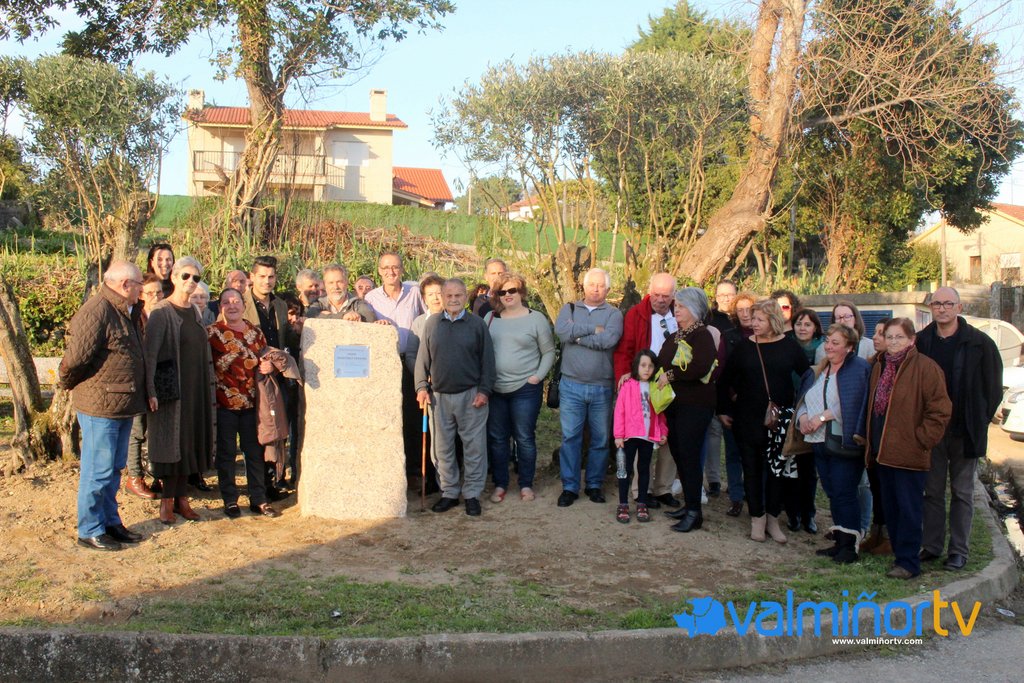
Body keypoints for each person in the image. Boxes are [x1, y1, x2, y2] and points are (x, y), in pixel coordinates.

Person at [59, 261, 148, 551]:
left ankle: (110, 522)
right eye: (139, 284)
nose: (141, 289)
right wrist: (69, 383)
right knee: (97, 470)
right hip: (100, 407)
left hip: (121, 404)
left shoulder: (125, 310)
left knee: (113, 469)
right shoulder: (97, 311)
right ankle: (90, 528)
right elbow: (75, 359)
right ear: (125, 284)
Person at [916, 287, 1002, 571]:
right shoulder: (921, 342)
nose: (942, 309)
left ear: (959, 307)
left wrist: (979, 419)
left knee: (962, 493)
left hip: (965, 431)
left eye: (948, 304)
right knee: (932, 491)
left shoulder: (980, 343)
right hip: (932, 431)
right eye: (937, 304)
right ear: (931, 307)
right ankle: (931, 546)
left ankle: (958, 551)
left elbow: (993, 389)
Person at [718, 298, 809, 544]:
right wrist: (724, 409)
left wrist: (802, 409)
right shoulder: (745, 347)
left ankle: (772, 518)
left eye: (759, 319)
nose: (753, 323)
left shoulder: (789, 346)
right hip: (747, 418)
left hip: (779, 420)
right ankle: (756, 517)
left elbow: (808, 376)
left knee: (776, 470)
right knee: (751, 468)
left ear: (773, 320)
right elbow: (725, 379)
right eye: (753, 318)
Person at [866, 318, 951, 579]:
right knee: (891, 508)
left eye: (899, 337)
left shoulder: (926, 368)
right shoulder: (879, 366)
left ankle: (909, 562)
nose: (893, 342)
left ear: (912, 340)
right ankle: (899, 554)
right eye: (889, 337)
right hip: (882, 452)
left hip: (909, 453)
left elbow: (940, 410)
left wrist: (921, 440)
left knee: (909, 509)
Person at [143, 256, 216, 525]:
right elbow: (150, 355)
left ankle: (182, 498)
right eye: (185, 276)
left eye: (196, 278)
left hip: (196, 388)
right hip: (172, 391)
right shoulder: (162, 312)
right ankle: (167, 501)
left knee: (189, 442)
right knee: (171, 444)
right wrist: (151, 390)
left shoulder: (195, 311)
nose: (190, 281)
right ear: (173, 277)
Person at [415, 278, 496, 516]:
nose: (453, 300)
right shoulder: (432, 324)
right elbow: (422, 360)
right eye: (448, 296)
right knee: (441, 449)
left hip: (471, 395)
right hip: (438, 397)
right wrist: (421, 387)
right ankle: (449, 492)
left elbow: (488, 361)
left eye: (458, 295)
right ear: (442, 297)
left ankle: (472, 494)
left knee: (474, 448)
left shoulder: (477, 324)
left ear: (465, 297)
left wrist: (484, 391)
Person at [794, 324, 871, 562]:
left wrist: (821, 418)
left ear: (849, 347)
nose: (828, 346)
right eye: (828, 341)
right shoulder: (819, 370)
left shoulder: (858, 369)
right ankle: (840, 540)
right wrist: (803, 418)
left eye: (835, 343)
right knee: (832, 492)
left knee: (844, 492)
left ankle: (850, 545)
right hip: (819, 441)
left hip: (844, 441)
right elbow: (804, 399)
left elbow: (853, 402)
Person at [554, 268, 624, 507]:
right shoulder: (570, 308)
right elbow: (562, 332)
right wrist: (592, 329)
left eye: (601, 285)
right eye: (592, 284)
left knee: (600, 439)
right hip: (571, 385)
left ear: (608, 289)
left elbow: (608, 340)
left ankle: (594, 484)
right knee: (570, 438)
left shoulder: (614, 314)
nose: (595, 289)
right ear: (583, 286)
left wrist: (577, 336)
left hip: (601, 387)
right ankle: (570, 487)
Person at [209, 288, 280, 518]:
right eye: (226, 302)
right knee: (227, 454)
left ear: (243, 304)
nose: (232, 306)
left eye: (236, 301)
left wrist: (269, 366)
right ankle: (230, 499)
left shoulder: (255, 332)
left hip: (252, 403)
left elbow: (267, 358)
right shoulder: (212, 333)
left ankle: (258, 499)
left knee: (254, 452)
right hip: (224, 404)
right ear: (220, 306)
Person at [484, 272, 556, 503]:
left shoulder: (536, 319)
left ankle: (526, 484)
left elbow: (549, 352)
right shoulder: (490, 319)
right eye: (502, 292)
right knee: (497, 438)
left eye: (512, 290)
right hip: (496, 389)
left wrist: (538, 376)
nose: (508, 295)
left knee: (524, 437)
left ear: (521, 292)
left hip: (525, 388)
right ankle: (500, 484)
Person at [612, 272, 680, 509]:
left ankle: (663, 488)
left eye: (666, 296)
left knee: (667, 435)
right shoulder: (636, 314)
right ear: (650, 292)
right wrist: (624, 374)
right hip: (644, 382)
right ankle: (641, 490)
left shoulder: (679, 314)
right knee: (642, 433)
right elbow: (625, 348)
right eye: (657, 294)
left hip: (672, 383)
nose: (661, 300)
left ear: (673, 295)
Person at [658, 288, 718, 533]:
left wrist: (671, 375)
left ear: (694, 309)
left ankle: (695, 512)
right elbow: (661, 360)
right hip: (675, 404)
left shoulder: (702, 335)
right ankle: (689, 505)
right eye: (676, 306)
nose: (676, 310)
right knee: (680, 454)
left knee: (689, 456)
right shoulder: (676, 336)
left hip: (695, 405)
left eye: (681, 306)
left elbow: (700, 367)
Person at [365, 252, 427, 486]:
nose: (391, 272)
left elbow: (426, 319)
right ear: (379, 271)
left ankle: (414, 471)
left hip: (411, 360)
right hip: (385, 365)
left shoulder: (414, 292)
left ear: (402, 269)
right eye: (386, 268)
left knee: (413, 416)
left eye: (395, 267)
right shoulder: (371, 298)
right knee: (389, 416)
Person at [242, 255, 296, 494]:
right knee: (257, 433)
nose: (267, 281)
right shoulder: (240, 303)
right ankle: (259, 485)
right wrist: (257, 364)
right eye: (262, 276)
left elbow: (284, 341)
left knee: (277, 429)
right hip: (251, 378)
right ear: (252, 277)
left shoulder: (280, 305)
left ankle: (275, 480)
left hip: (276, 378)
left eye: (271, 276)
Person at [124, 273, 166, 500]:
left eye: (159, 292)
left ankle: (159, 474)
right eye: (150, 293)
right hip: (139, 381)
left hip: (161, 379)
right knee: (137, 430)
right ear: (141, 295)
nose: (155, 297)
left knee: (157, 430)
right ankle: (135, 476)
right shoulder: (135, 318)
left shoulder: (165, 315)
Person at [613, 350, 668, 523]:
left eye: (650, 366)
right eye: (643, 365)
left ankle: (642, 502)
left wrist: (663, 431)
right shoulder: (627, 385)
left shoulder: (655, 387)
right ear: (636, 366)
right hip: (629, 436)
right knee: (625, 469)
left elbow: (660, 413)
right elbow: (619, 411)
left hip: (647, 436)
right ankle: (623, 503)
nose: (647, 369)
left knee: (644, 469)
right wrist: (618, 435)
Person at [703, 279, 741, 502]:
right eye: (721, 295)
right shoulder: (710, 319)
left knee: (737, 439)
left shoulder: (742, 319)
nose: (726, 298)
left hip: (738, 388)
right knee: (713, 432)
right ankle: (714, 479)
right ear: (715, 297)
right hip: (714, 384)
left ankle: (739, 482)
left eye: (730, 294)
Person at [861, 318, 893, 555]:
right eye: (876, 332)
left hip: (893, 439)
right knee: (876, 486)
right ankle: (877, 533)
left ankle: (891, 537)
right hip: (873, 437)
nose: (875, 337)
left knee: (891, 490)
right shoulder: (872, 365)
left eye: (882, 333)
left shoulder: (903, 367)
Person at [305, 264, 376, 322]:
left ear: (347, 282)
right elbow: (311, 316)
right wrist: (343, 316)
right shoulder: (318, 303)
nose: (335, 287)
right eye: (331, 283)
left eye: (339, 282)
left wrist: (327, 316)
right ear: (324, 285)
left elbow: (370, 318)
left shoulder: (358, 303)